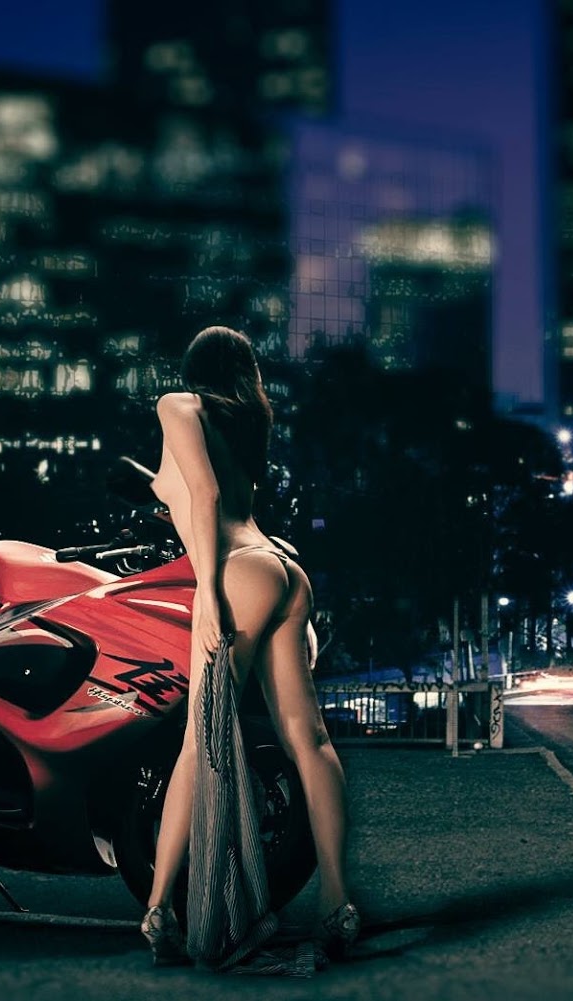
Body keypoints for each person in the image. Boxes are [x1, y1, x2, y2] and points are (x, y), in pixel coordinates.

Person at [139, 326, 359, 973]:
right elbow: (223, 501)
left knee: (196, 742)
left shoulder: (178, 405)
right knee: (310, 739)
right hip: (282, 570)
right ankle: (339, 903)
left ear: (191, 367)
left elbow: (203, 495)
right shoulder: (247, 424)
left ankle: (158, 908)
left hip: (234, 574)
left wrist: (206, 590)